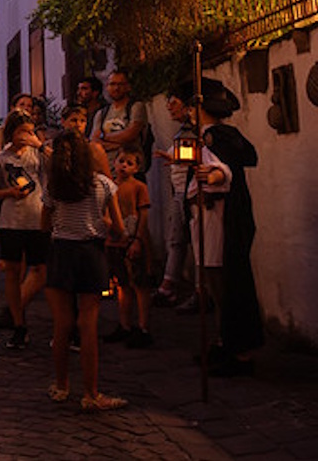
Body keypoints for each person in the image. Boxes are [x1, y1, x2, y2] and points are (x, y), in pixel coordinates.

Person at [180, 78, 264, 375]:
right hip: (205, 219)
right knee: (214, 286)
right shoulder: (204, 136)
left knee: (225, 284)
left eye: (192, 106)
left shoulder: (218, 136)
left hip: (218, 219)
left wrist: (212, 176)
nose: (189, 111)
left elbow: (224, 170)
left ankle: (236, 350)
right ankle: (222, 342)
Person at [42, 130, 127, 412]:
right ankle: (91, 393)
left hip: (60, 253)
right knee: (87, 325)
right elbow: (119, 228)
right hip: (91, 254)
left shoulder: (54, 186)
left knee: (62, 324)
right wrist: (100, 221)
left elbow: (45, 224)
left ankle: (61, 385)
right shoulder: (103, 184)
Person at [0, 110, 49, 350]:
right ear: (11, 132)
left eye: (30, 131)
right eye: (22, 131)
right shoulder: (2, 158)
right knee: (12, 272)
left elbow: (58, 165)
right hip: (12, 221)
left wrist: (39, 145)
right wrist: (9, 193)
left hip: (37, 219)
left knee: (41, 269)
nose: (26, 136)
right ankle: (18, 324)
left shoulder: (38, 155)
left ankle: (18, 311)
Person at [102, 145, 156, 348]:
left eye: (129, 163)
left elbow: (143, 215)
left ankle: (143, 327)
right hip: (113, 241)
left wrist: (138, 240)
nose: (124, 166)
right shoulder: (109, 186)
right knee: (122, 284)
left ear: (136, 168)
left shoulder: (138, 187)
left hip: (132, 240)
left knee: (140, 285)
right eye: (121, 161)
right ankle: (125, 325)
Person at [153, 94, 196, 309]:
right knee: (176, 240)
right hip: (181, 192)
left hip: (191, 193)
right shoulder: (184, 131)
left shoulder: (194, 132)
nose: (169, 107)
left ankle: (190, 289)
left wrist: (176, 160)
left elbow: (194, 160)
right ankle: (169, 284)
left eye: (175, 102)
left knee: (188, 242)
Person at [90, 70, 148, 169]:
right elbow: (95, 140)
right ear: (107, 87)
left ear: (128, 87)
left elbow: (130, 134)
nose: (116, 88)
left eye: (120, 84)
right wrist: (121, 143)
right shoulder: (101, 113)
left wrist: (103, 136)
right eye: (112, 84)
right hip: (107, 169)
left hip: (131, 169)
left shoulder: (136, 107)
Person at [61, 103, 111, 176]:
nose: (78, 125)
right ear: (63, 121)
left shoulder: (94, 148)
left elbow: (108, 179)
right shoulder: (56, 146)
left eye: (82, 121)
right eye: (74, 120)